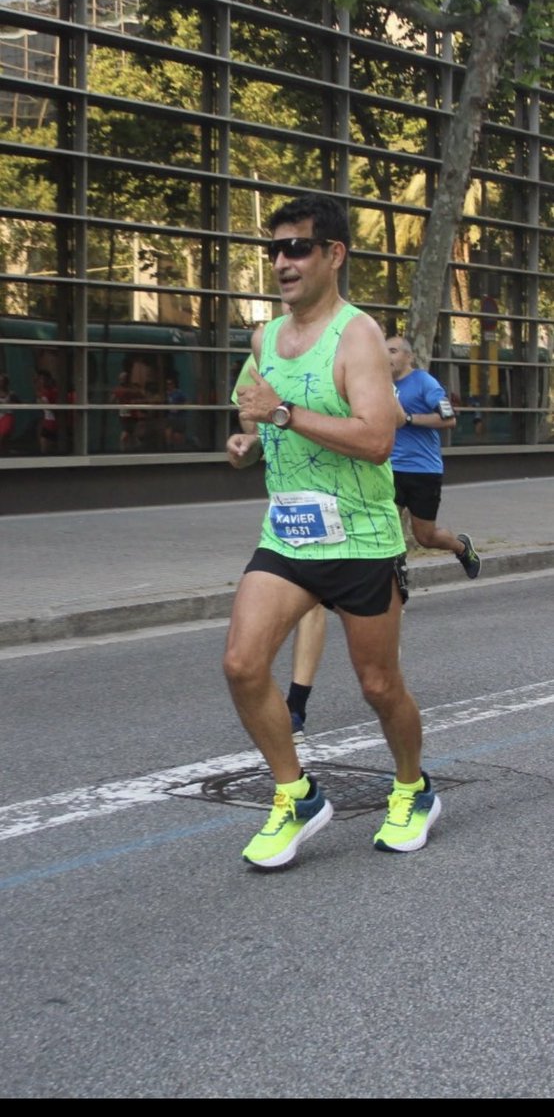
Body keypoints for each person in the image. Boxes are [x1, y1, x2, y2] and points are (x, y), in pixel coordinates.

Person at [224, 192, 441, 870]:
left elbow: (378, 438)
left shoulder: (358, 336)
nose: (282, 262)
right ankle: (297, 795)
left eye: (297, 248)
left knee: (379, 686)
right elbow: (255, 417)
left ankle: (413, 789)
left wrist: (282, 414)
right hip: (288, 536)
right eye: (275, 249)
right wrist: (249, 440)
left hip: (362, 540)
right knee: (241, 663)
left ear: (333, 255)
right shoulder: (265, 337)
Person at [231, 349, 327, 743]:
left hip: (348, 502)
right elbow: (252, 438)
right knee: (309, 599)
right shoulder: (260, 356)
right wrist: (244, 447)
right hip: (288, 505)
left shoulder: (344, 345)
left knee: (379, 677)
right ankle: (294, 709)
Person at [386, 335, 482, 579]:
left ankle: (461, 548)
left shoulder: (425, 383)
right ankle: (397, 577)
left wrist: (408, 419)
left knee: (425, 537)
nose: (387, 356)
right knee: (386, 529)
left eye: (394, 351)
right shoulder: (379, 384)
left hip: (423, 470)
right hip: (388, 467)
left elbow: (449, 419)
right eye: (384, 351)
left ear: (409, 357)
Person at [164, 372, 187, 451]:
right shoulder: (167, 394)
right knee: (168, 434)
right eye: (167, 384)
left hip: (179, 418)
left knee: (177, 436)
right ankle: (169, 449)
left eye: (170, 384)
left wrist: (179, 408)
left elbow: (186, 403)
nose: (168, 386)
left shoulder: (179, 393)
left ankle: (180, 451)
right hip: (170, 418)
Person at [0, 373, 18, 454]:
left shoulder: (11, 394)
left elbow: (20, 404)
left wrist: (12, 403)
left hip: (7, 416)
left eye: (3, 381)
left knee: (3, 436)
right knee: (4, 441)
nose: (1, 383)